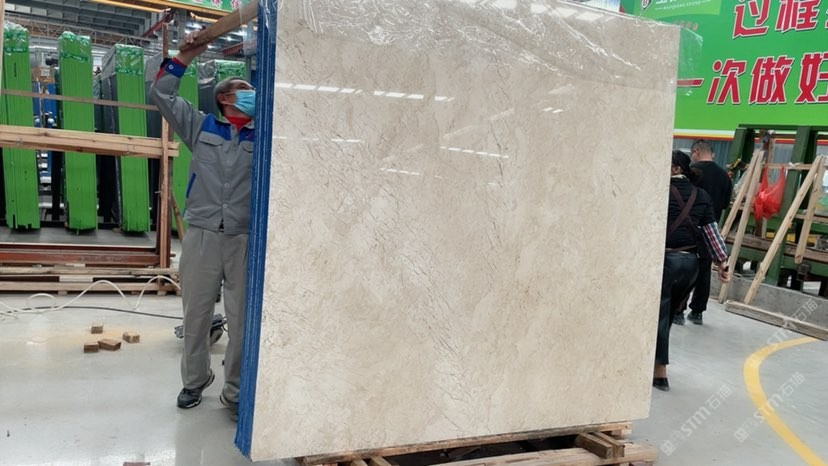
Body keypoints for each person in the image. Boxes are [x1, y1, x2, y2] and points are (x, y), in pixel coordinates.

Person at [149, 29, 257, 420]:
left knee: (242, 321)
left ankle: (235, 391)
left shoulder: (263, 137)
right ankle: (195, 381)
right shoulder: (201, 127)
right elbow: (161, 94)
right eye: (245, 91)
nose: (252, 96)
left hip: (244, 239)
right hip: (202, 237)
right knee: (195, 315)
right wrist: (186, 56)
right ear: (225, 98)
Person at [656, 151, 730, 392]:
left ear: (676, 169)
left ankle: (660, 373)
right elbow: (711, 232)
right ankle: (655, 364)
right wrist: (723, 262)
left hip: (665, 263)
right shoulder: (702, 195)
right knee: (665, 317)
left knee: (659, 318)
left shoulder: (659, 191)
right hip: (690, 267)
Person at [674, 140, 733, 326]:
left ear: (696, 151)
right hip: (711, 229)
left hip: (687, 230)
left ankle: (678, 312)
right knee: (704, 271)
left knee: (684, 273)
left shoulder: (692, 171)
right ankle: (697, 312)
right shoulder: (725, 176)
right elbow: (725, 204)